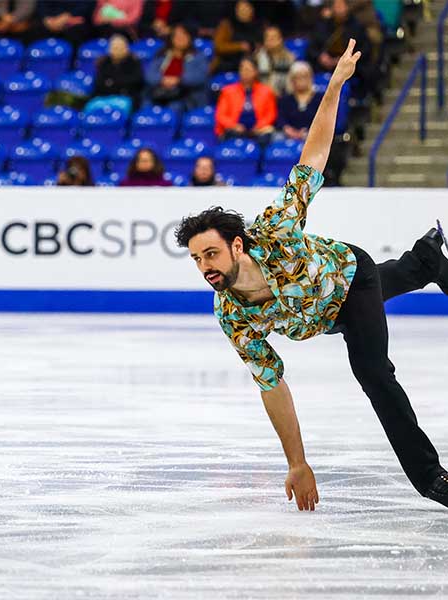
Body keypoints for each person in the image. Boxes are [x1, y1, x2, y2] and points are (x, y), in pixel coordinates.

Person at [174, 40, 448, 512]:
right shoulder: (232, 316)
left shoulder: (275, 228)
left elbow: (312, 159)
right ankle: (427, 258)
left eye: (212, 254)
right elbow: (272, 383)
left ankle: (431, 479)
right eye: (198, 259)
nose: (206, 267)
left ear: (237, 245)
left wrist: (334, 85)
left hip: (349, 276)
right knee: (398, 279)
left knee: (371, 369)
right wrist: (297, 462)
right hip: (323, 312)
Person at [145, 23, 209, 112]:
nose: (180, 38)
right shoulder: (161, 55)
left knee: (175, 107)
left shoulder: (198, 56)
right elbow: (149, 75)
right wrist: (162, 80)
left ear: (190, 38)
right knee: (147, 107)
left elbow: (200, 77)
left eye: (183, 35)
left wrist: (178, 80)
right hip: (160, 93)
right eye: (177, 35)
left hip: (185, 96)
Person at [214, 57, 277, 143]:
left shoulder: (266, 91)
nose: (245, 73)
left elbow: (270, 114)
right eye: (242, 69)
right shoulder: (227, 91)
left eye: (248, 70)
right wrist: (234, 125)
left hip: (258, 129)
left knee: (266, 137)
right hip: (235, 129)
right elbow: (221, 115)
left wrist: (259, 126)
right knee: (232, 136)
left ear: (256, 72)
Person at [92, 35, 144, 109]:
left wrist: (111, 82)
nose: (115, 51)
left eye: (119, 48)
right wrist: (118, 82)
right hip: (104, 97)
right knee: (91, 106)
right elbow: (99, 82)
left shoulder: (133, 62)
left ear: (126, 49)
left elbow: (136, 81)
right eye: (113, 48)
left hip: (125, 97)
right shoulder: (104, 62)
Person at [211, 0, 262, 74]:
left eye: (246, 8)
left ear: (252, 10)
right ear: (236, 11)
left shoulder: (259, 26)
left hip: (252, 66)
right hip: (228, 64)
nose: (243, 11)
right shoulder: (226, 25)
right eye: (240, 9)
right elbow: (218, 46)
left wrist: (258, 49)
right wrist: (240, 46)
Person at [276, 61, 323, 142]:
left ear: (310, 78)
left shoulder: (319, 98)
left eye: (304, 76)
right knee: (277, 137)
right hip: (289, 135)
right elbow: (281, 118)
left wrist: (308, 132)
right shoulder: (286, 99)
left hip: (313, 134)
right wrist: (289, 130)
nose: (301, 80)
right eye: (297, 77)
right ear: (292, 80)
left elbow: (322, 120)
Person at [254, 25, 295, 97]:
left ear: (280, 39)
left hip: (285, 96)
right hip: (263, 97)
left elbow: (293, 81)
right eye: (267, 37)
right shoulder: (257, 57)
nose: (270, 40)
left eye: (273, 37)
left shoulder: (290, 58)